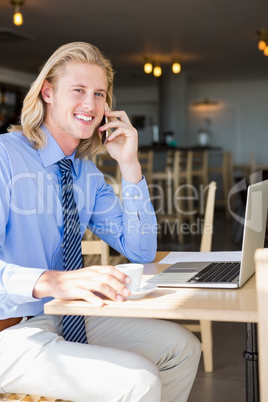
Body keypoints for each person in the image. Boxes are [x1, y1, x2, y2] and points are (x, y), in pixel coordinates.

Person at [0, 42, 201, 402]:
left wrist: (129, 164)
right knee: (139, 381)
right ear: (47, 92)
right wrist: (52, 281)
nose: (90, 105)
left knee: (182, 348)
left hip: (62, 315)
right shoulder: (4, 158)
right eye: (78, 91)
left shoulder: (85, 174)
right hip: (9, 331)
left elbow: (141, 251)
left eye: (99, 94)